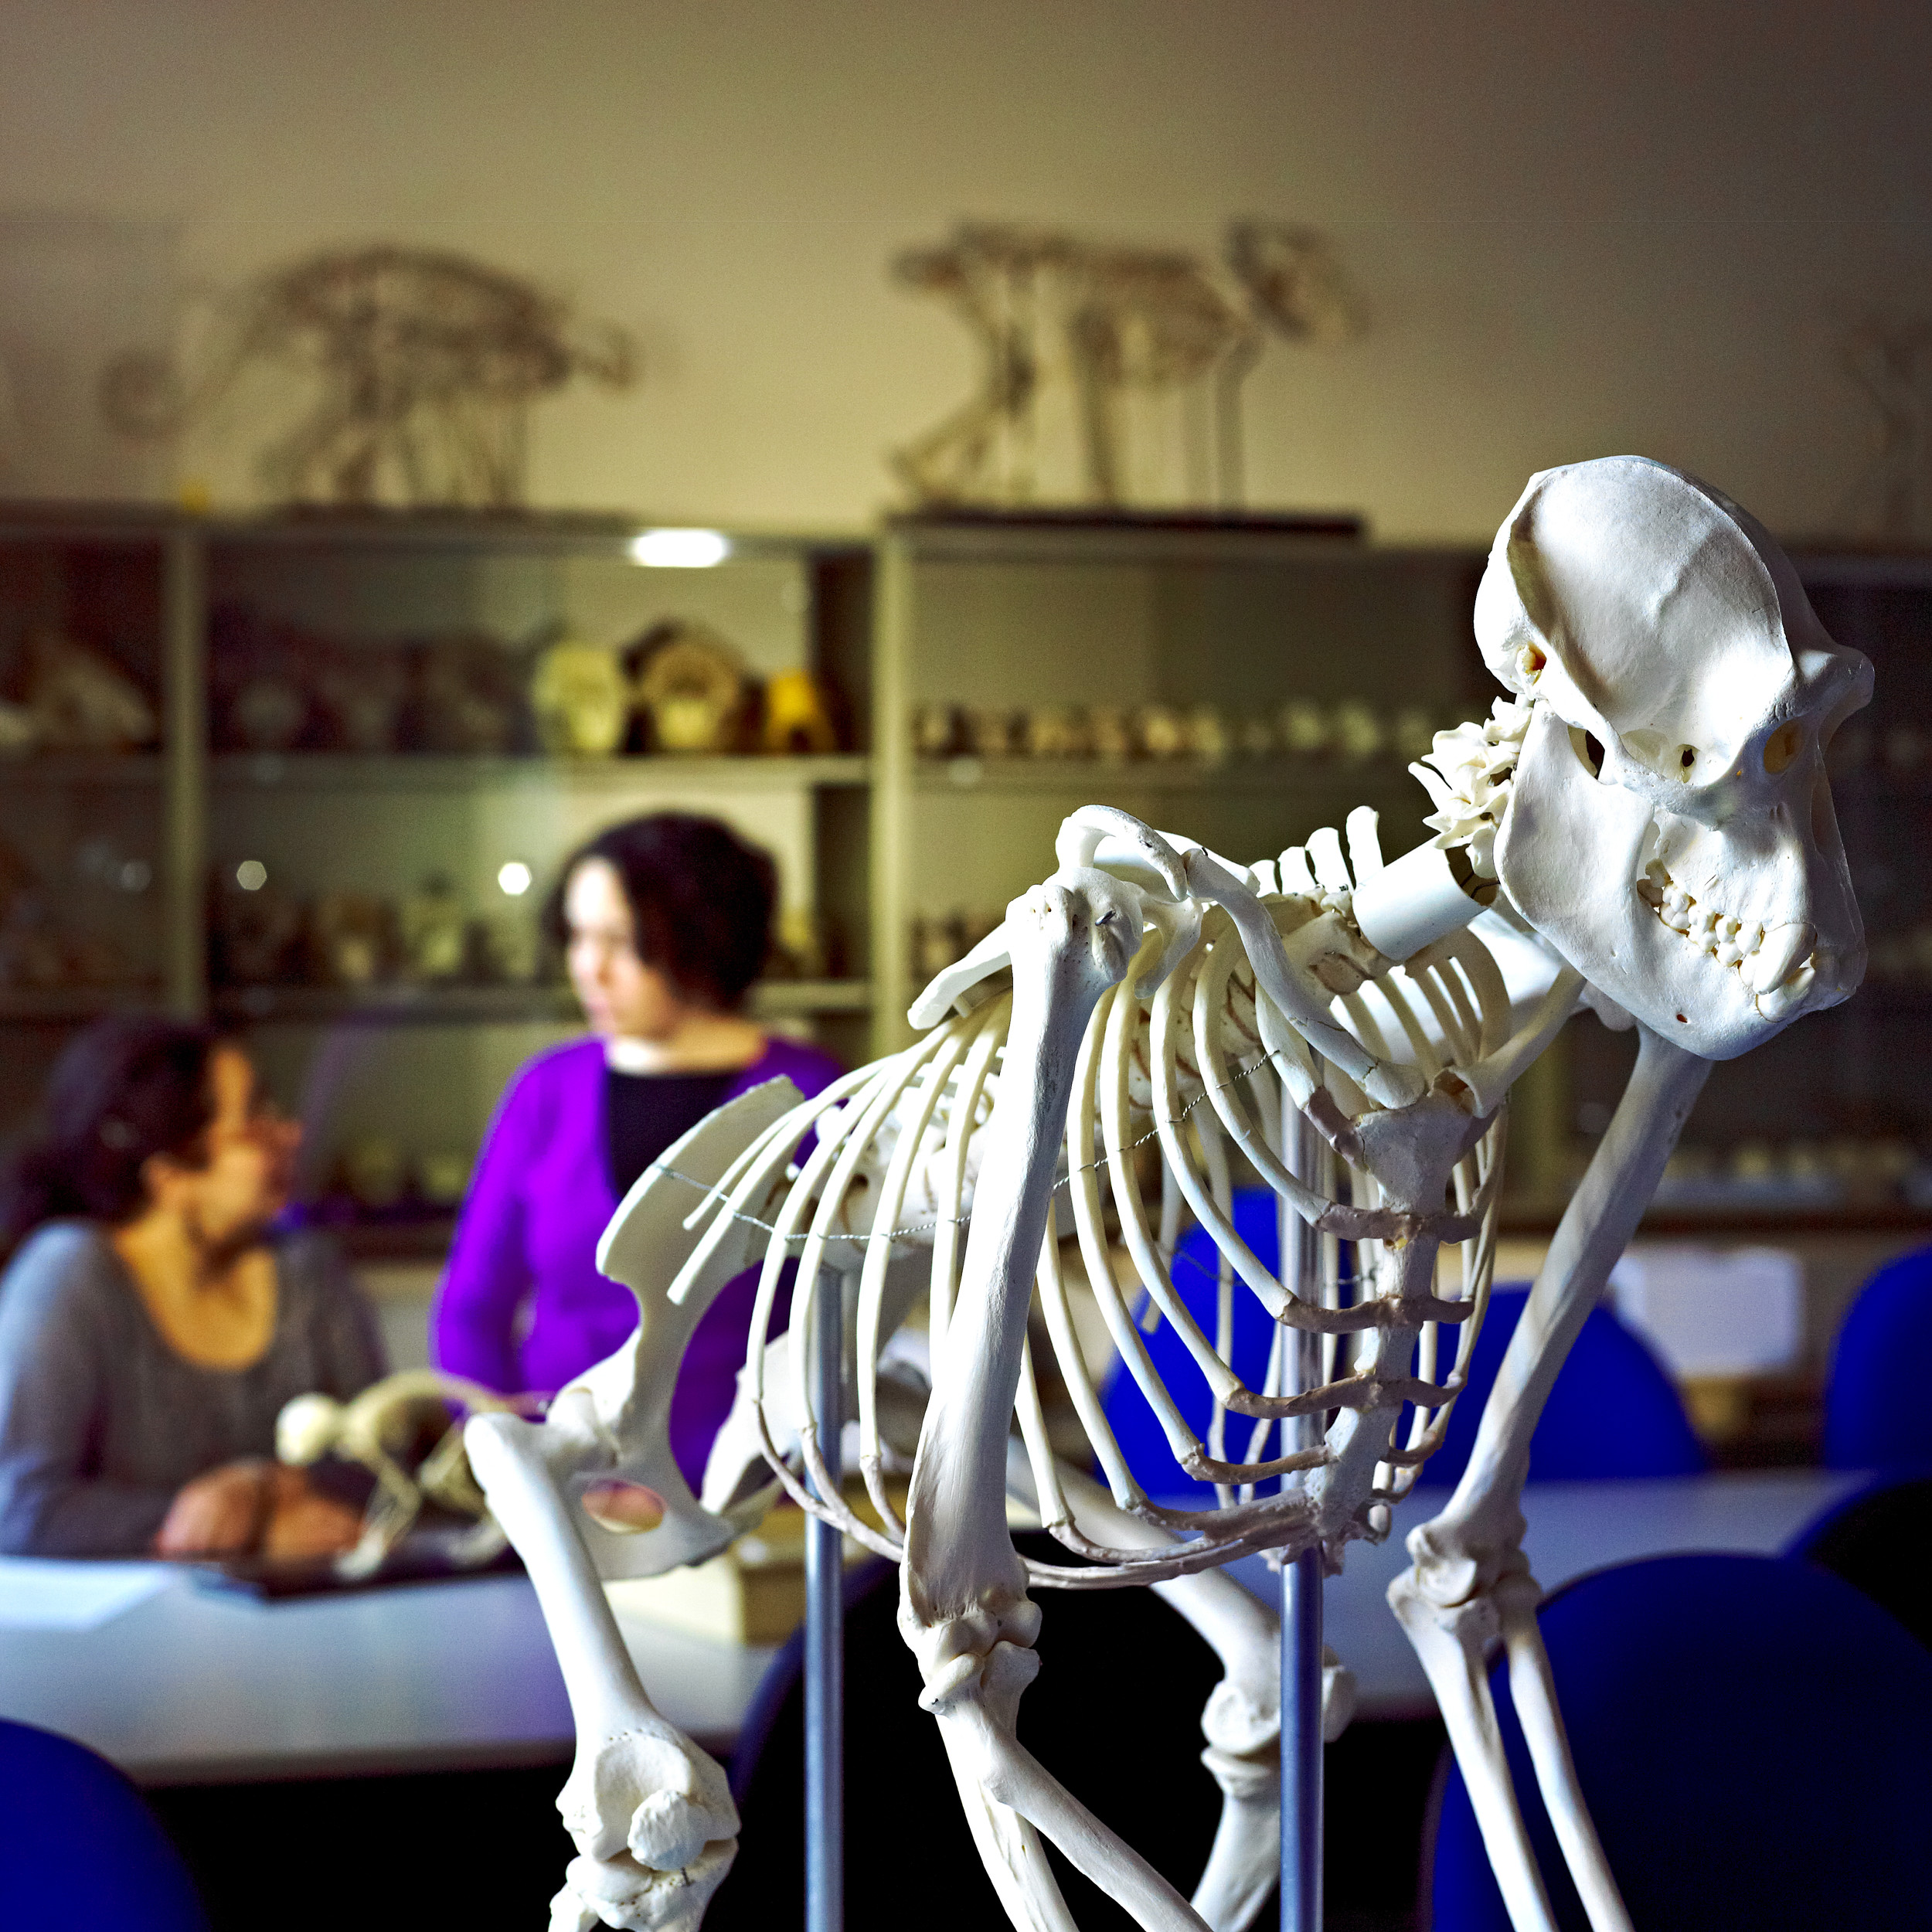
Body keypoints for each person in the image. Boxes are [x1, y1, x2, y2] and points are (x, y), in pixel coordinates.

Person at [433, 813, 841, 1487]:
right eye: (577, 936)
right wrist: (515, 1466)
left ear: (701, 939)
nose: (587, 966)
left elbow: (846, 1331)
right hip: (562, 1495)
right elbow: (471, 1310)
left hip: (750, 1494)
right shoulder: (546, 1092)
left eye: (619, 941)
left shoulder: (817, 1098)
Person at [0, 1017, 384, 1558]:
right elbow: (21, 1508)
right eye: (254, 1121)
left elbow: (381, 1463)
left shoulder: (310, 1273)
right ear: (170, 1178)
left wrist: (261, 1488)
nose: (290, 1133)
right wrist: (247, 1532)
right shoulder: (72, 1275)